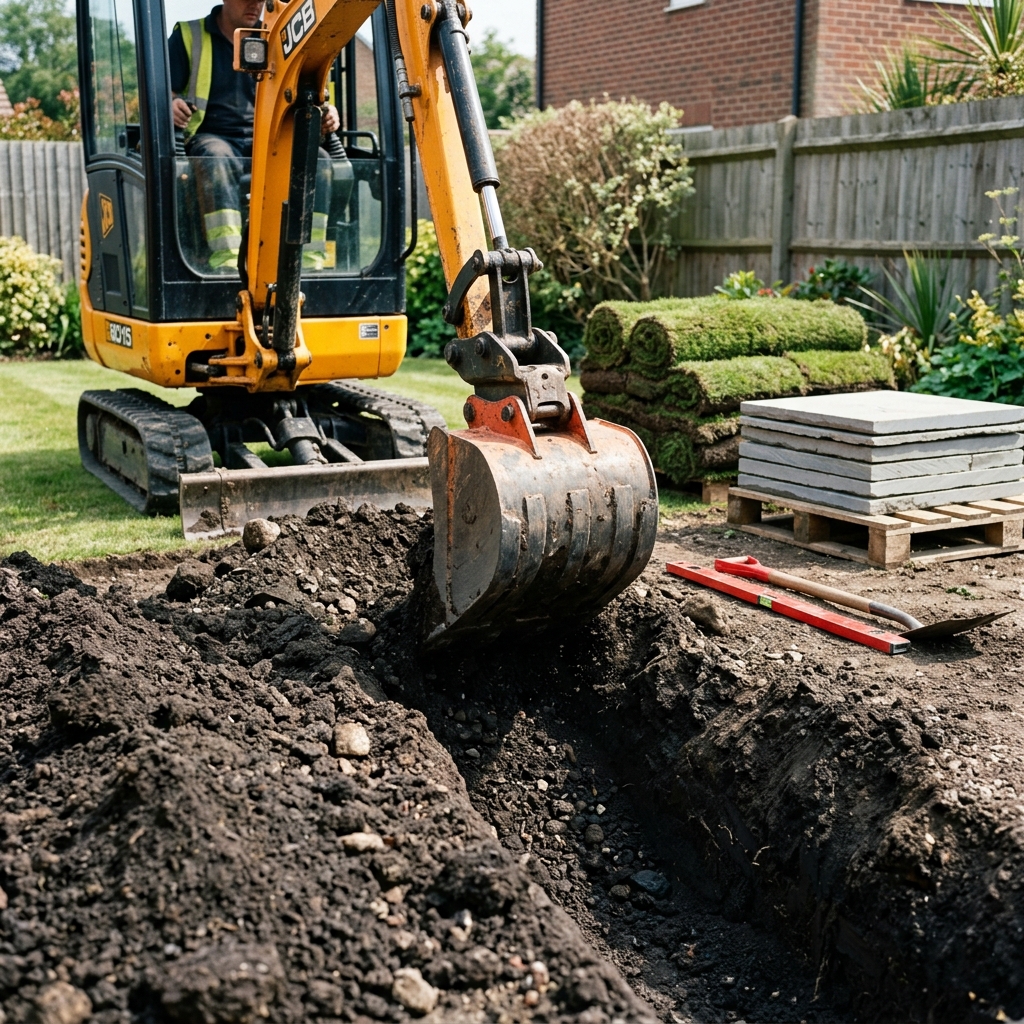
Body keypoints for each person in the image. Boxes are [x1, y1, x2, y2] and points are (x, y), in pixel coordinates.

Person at [168, 0, 339, 270]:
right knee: (216, 158)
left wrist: (330, 114)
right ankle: (228, 262)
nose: (255, 5)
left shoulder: (282, 39)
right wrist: (171, 103)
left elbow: (316, 93)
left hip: (270, 141)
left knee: (319, 160)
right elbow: (163, 89)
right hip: (213, 136)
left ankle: (308, 263)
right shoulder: (190, 35)